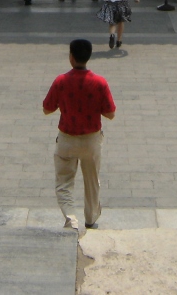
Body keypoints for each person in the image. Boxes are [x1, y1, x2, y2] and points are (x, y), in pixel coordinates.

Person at [42, 38, 116, 230]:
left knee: (64, 181)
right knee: (92, 180)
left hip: (67, 138)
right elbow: (110, 113)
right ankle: (91, 219)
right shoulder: (100, 82)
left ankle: (70, 217)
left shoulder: (61, 81)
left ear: (71, 57)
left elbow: (46, 108)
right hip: (91, 140)